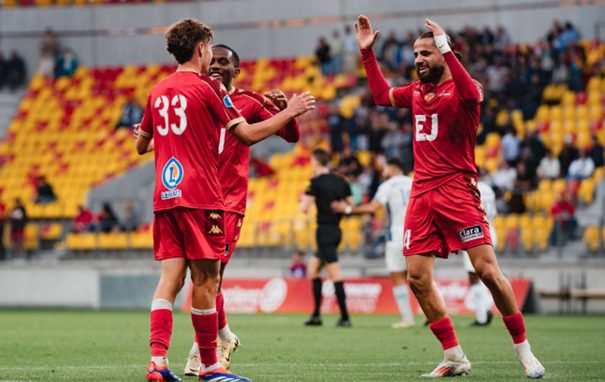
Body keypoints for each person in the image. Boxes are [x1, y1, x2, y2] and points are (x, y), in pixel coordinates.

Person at [356, 15, 544, 378]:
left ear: (444, 53)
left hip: (458, 189)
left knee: (487, 271)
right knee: (417, 278)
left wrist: (445, 47)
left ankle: (525, 351)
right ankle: (454, 355)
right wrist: (368, 55)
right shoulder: (415, 91)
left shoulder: (464, 88)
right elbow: (380, 96)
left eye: (426, 52)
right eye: (415, 54)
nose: (418, 59)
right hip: (422, 192)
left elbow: (472, 94)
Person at [135, 18, 313, 382]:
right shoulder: (208, 91)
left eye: (223, 60)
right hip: (203, 196)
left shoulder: (158, 90)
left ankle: (157, 361)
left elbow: (142, 144)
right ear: (201, 49)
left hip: (167, 195)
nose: (214, 63)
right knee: (208, 279)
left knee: (171, 278)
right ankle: (211, 363)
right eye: (210, 53)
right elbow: (246, 135)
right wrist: (291, 110)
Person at [182, 43, 301, 376]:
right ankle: (224, 336)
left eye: (224, 62)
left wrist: (282, 109)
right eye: (213, 61)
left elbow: (291, 135)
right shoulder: (196, 97)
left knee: (210, 279)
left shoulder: (250, 101)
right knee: (201, 277)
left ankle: (202, 349)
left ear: (236, 71)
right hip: (196, 198)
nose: (217, 65)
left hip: (228, 204)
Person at [331, 157, 415, 329]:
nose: (383, 172)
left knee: (398, 277)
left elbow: (372, 208)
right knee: (422, 276)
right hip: (418, 235)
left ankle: (408, 319)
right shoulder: (414, 181)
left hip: (397, 237)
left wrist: (347, 209)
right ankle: (432, 313)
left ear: (393, 168)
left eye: (385, 168)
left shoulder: (387, 186)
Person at [300, 148, 353, 327]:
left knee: (334, 273)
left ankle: (345, 317)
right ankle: (316, 315)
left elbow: (304, 208)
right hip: (336, 230)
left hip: (324, 231)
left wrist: (302, 198)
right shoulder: (340, 180)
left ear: (315, 161)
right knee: (313, 269)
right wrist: (342, 207)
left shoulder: (314, 182)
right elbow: (352, 205)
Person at [460, 181, 497, 327]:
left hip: (475, 232)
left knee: (474, 275)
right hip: (491, 230)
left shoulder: (467, 187)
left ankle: (482, 316)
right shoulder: (488, 188)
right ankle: (485, 311)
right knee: (486, 272)